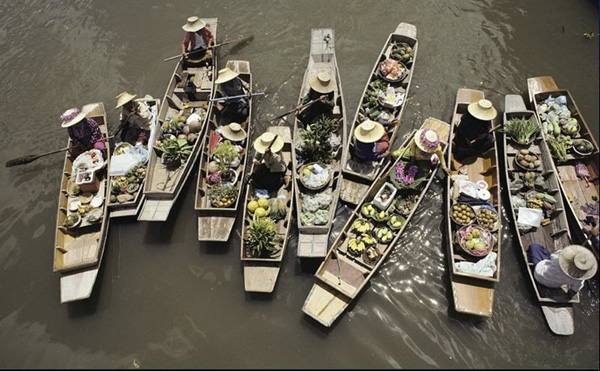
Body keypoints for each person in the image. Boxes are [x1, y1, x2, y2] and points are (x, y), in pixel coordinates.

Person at [528, 244, 597, 293]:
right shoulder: (580, 279)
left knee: (535, 246)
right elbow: (575, 289)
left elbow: (552, 256)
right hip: (553, 285)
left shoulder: (560, 258)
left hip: (539, 273)